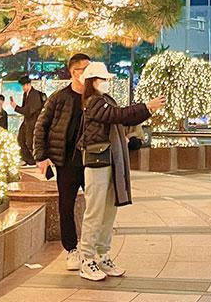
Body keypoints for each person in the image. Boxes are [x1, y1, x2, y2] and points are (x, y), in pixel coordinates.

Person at [77, 61, 165, 281]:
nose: (106, 82)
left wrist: (147, 109)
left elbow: (123, 116)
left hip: (110, 161)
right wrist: (146, 107)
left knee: (108, 212)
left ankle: (102, 255)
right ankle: (86, 259)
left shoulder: (104, 100)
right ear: (93, 81)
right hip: (97, 162)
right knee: (95, 213)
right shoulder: (93, 102)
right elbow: (118, 115)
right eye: (103, 79)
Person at [33, 53, 91, 271]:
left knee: (95, 207)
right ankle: (71, 249)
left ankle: (91, 248)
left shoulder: (95, 98)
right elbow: (42, 126)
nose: (87, 73)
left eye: (89, 68)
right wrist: (41, 156)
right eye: (83, 69)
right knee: (66, 206)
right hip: (66, 162)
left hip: (91, 162)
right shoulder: (59, 98)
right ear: (73, 72)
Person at [11, 75, 45, 166]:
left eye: (23, 85)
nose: (22, 88)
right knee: (21, 139)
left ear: (28, 84)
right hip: (27, 121)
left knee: (30, 142)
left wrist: (16, 107)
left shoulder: (34, 95)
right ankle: (28, 159)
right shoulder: (26, 94)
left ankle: (35, 159)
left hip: (33, 121)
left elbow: (29, 110)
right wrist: (17, 107)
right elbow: (25, 110)